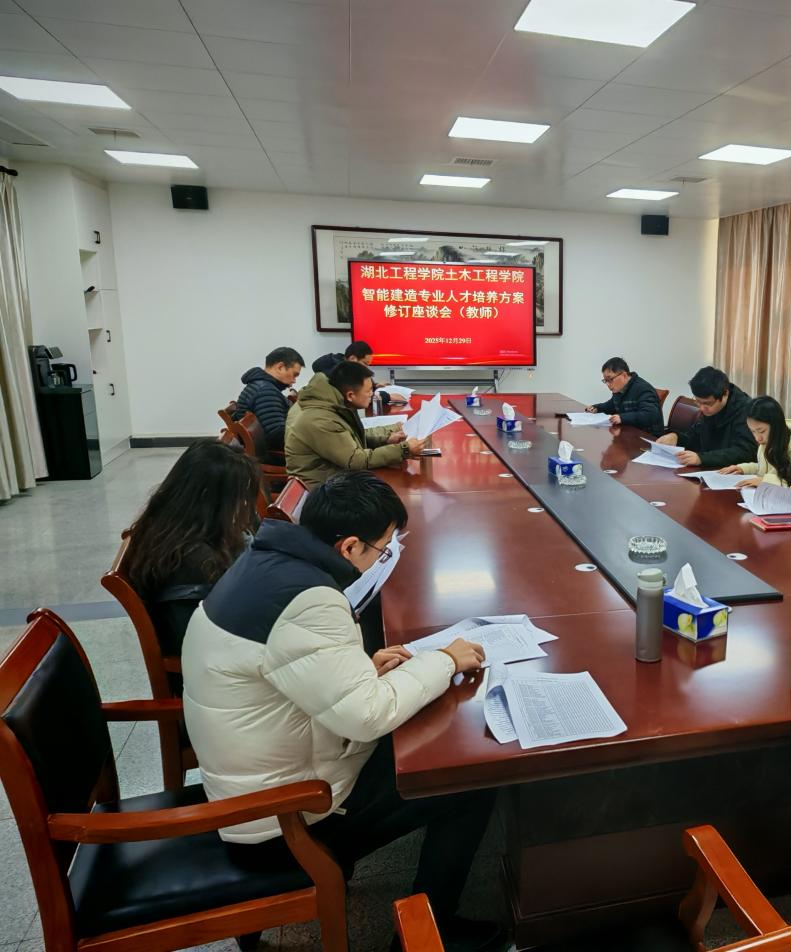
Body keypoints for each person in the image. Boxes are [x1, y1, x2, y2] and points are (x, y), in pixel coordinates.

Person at [181, 471, 505, 951]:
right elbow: (368, 716)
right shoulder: (308, 601)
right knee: (466, 781)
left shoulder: (265, 564)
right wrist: (445, 659)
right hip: (283, 820)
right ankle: (429, 933)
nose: (383, 559)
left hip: (250, 780)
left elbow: (286, 667)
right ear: (350, 546)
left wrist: (361, 668)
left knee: (425, 736)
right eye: (383, 550)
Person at [120, 439, 261, 686]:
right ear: (212, 501)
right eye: (239, 498)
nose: (245, 507)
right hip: (216, 679)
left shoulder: (174, 528)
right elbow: (200, 645)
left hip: (221, 656)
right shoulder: (192, 561)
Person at [285, 360, 427, 489]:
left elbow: (347, 439)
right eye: (369, 391)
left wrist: (386, 439)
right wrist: (403, 450)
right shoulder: (320, 418)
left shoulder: (332, 404)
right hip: (321, 491)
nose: (372, 394)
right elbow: (355, 460)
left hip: (336, 480)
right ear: (350, 395)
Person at [654, 366, 757, 468]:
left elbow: (745, 452)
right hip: (708, 469)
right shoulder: (710, 409)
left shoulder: (748, 411)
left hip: (732, 473)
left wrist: (702, 458)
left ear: (725, 394)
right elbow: (696, 436)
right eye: (698, 402)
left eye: (707, 403)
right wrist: (676, 437)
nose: (702, 409)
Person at [715, 395, 791, 488]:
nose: (757, 438)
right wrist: (743, 468)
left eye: (761, 431)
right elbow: (767, 469)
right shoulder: (771, 441)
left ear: (776, 426)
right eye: (753, 431)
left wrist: (765, 481)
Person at [235, 346, 305, 452]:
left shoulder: (262, 386)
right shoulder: (265, 391)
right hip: (275, 455)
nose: (294, 380)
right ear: (280, 367)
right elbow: (277, 436)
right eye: (294, 375)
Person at [584, 357, 664, 433]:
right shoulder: (620, 389)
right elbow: (612, 405)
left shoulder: (643, 389)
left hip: (647, 437)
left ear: (624, 375)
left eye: (610, 379)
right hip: (629, 433)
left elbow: (649, 414)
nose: (608, 384)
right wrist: (597, 408)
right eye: (605, 381)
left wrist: (622, 418)